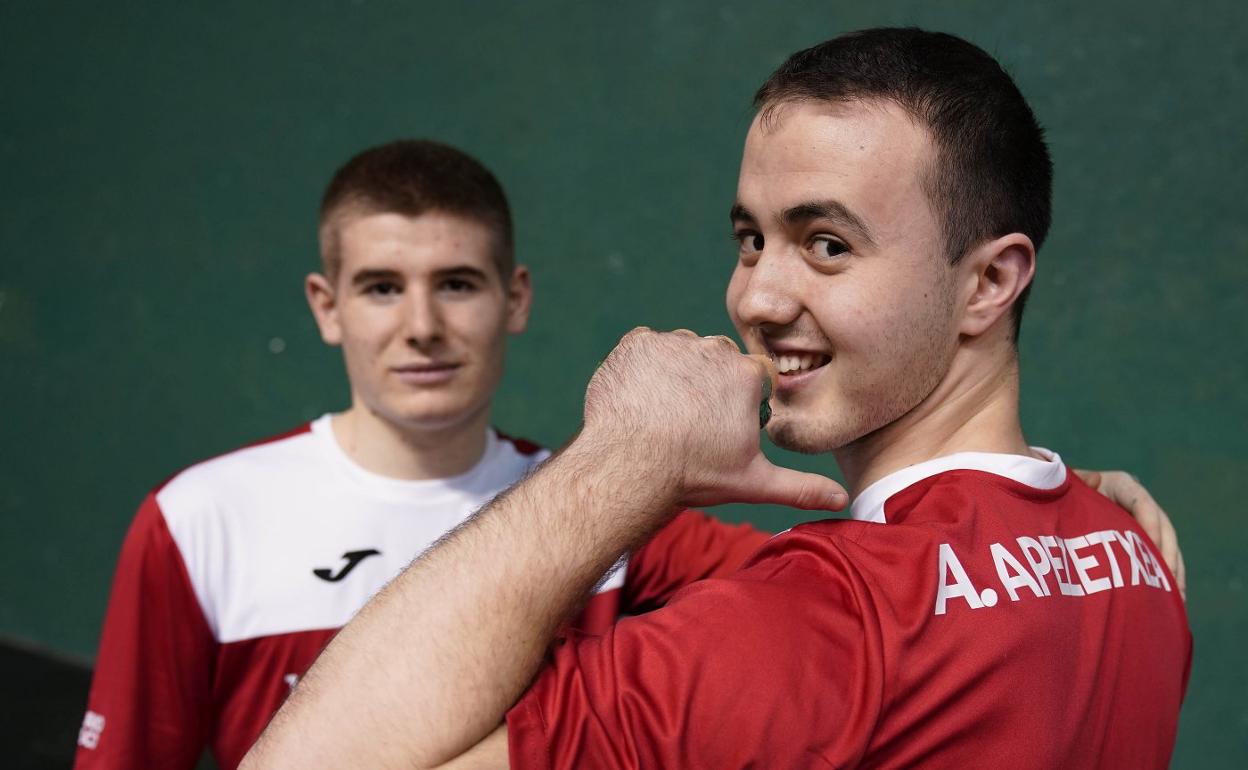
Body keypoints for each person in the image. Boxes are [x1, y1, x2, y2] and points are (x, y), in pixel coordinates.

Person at [242, 29, 1192, 770]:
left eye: (828, 243)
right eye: (751, 239)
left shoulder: (813, 624)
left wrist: (626, 455)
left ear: (989, 282)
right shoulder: (1134, 559)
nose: (756, 298)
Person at [73, 140, 774, 770]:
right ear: (326, 307)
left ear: (515, 298)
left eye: (456, 284)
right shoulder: (201, 518)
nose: (421, 328)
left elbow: (838, 612)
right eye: (382, 288)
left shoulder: (608, 512)